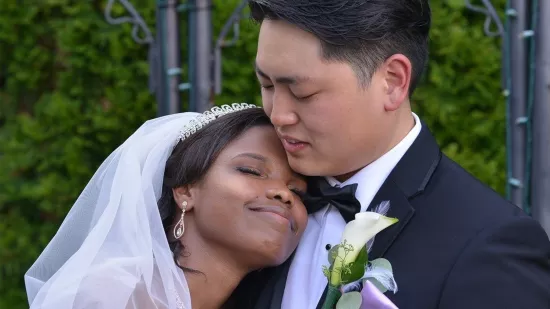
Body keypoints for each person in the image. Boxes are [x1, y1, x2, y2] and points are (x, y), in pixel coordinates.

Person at [247, 1, 550, 308]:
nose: (278, 115)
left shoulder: (490, 246)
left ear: (392, 81)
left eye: (303, 94)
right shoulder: (252, 202)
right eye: (267, 85)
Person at [24, 104, 310, 309]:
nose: (284, 194)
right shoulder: (111, 294)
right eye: (251, 171)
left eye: (298, 190)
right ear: (185, 190)